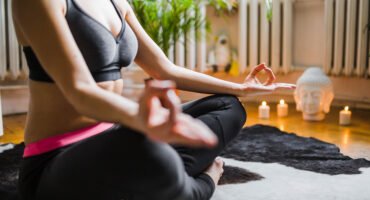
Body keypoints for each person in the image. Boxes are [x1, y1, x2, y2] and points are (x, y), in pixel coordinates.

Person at [12, 0, 295, 199]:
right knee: (146, 145)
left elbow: (164, 69)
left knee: (227, 106)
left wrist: (240, 88)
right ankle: (202, 183)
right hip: (53, 164)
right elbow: (80, 90)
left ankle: (155, 178)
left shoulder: (116, 3)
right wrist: (142, 119)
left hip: (113, 138)